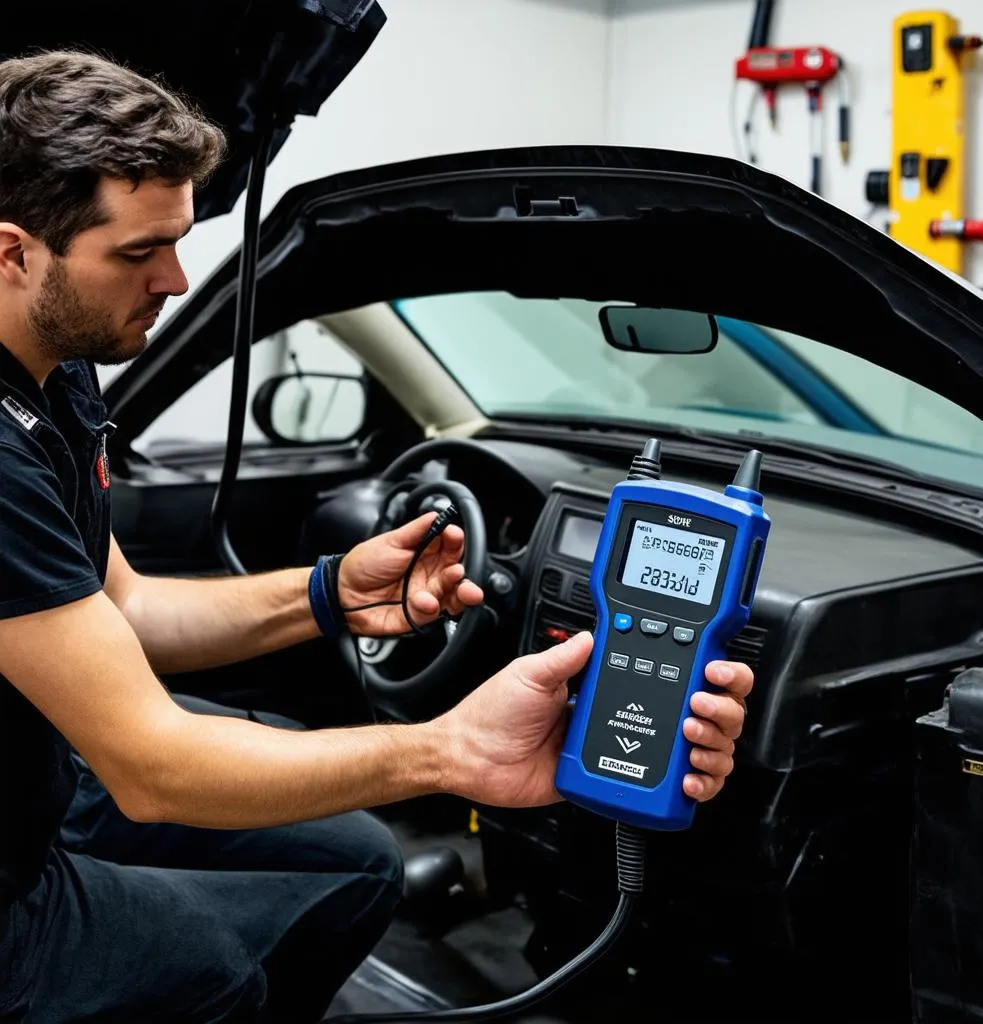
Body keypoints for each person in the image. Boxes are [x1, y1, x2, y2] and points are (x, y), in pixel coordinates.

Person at [0, 49, 757, 1024]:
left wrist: (329, 594)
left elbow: (124, 606)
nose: (177, 280)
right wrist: (444, 752)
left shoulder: (58, 363)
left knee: (355, 862)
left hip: (37, 795)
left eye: (177, 243)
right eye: (139, 254)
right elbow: (152, 770)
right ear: (13, 252)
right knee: (207, 976)